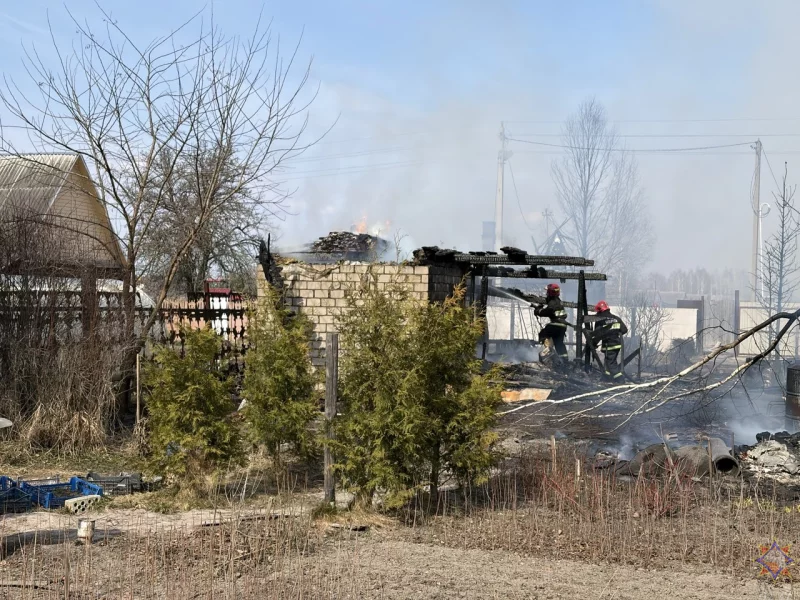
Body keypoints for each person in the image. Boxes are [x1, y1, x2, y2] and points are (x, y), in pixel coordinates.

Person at [591, 301, 628, 380]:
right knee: (608, 361)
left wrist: (593, 344)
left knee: (611, 363)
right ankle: (606, 377)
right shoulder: (616, 318)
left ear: (600, 311)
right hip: (617, 344)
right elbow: (624, 330)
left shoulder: (601, 320)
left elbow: (597, 334)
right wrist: (615, 332)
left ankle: (620, 379)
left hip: (609, 345)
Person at [534, 283, 569, 361]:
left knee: (543, 334)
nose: (546, 294)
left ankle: (548, 350)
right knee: (559, 344)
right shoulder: (559, 302)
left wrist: (538, 311)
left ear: (550, 292)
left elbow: (548, 311)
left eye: (547, 292)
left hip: (555, 325)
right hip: (562, 326)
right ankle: (565, 361)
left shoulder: (552, 302)